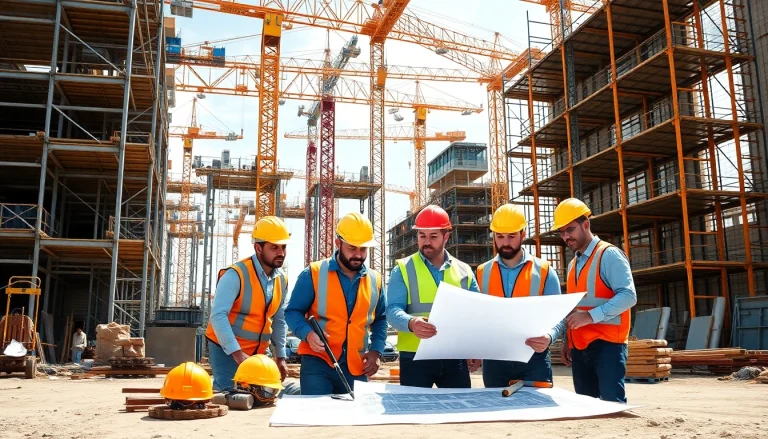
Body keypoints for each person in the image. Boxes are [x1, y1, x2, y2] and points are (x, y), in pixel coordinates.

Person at [286, 212, 387, 395]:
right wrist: (308, 334)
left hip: (357, 366)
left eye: (363, 249)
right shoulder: (313, 273)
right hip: (318, 362)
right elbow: (293, 312)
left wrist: (376, 351)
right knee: (318, 411)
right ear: (338, 243)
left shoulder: (376, 280)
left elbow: (381, 319)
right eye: (352, 248)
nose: (358, 255)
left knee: (355, 413)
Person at [386, 205, 480, 388]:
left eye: (433, 236)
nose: (426, 242)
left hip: (454, 355)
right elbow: (392, 310)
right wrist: (411, 323)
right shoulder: (403, 269)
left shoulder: (464, 271)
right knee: (416, 407)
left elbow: (476, 313)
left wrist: (475, 348)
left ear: (446, 236)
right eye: (422, 235)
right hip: (414, 356)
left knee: (458, 406)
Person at [553, 198, 637, 403]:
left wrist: (590, 317)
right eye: (562, 232)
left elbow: (628, 296)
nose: (566, 236)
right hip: (580, 347)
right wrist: (568, 341)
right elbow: (574, 307)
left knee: (611, 407)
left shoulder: (609, 255)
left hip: (608, 346)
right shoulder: (573, 265)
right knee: (586, 409)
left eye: (570, 229)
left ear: (586, 224)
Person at [475, 204, 565, 387]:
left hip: (534, 359)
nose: (505, 243)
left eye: (511, 236)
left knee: (537, 406)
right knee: (496, 406)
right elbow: (474, 316)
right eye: (500, 236)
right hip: (494, 361)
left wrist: (549, 336)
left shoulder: (545, 271)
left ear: (523, 234)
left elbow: (559, 316)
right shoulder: (481, 273)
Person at [206, 216, 290, 392]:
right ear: (258, 248)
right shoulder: (235, 275)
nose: (281, 253)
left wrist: (280, 356)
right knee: (231, 396)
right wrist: (237, 354)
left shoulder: (281, 280)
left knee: (264, 396)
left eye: (283, 247)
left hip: (259, 352)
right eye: (274, 247)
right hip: (227, 351)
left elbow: (279, 320)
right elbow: (218, 316)